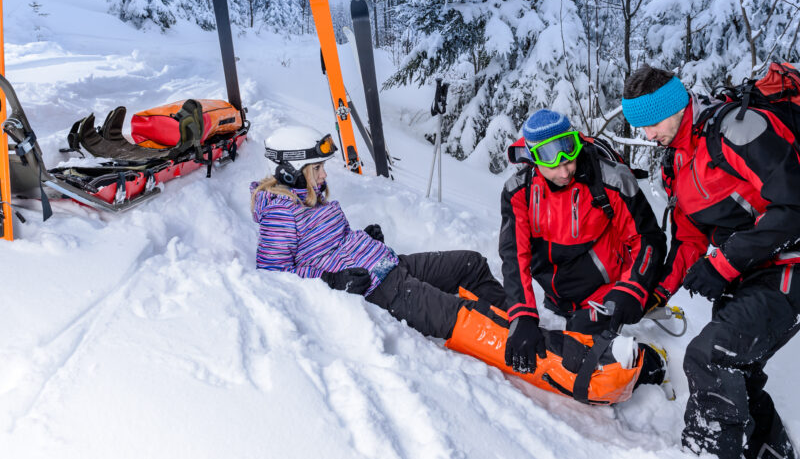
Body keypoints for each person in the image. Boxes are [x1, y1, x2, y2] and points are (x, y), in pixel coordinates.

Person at [622, 65, 800, 459]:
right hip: (742, 278)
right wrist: (657, 294)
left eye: (651, 121)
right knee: (740, 377)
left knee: (711, 357)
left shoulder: (736, 130)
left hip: (788, 267)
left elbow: (792, 207)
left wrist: (722, 265)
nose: (647, 135)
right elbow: (689, 238)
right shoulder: (676, 164)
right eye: (640, 125)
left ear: (677, 103)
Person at [252, 125, 507, 340]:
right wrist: (332, 280)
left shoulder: (311, 197)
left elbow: (330, 247)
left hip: (389, 264)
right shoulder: (280, 214)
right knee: (469, 317)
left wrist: (364, 239)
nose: (324, 174)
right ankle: (535, 349)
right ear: (290, 171)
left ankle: (519, 320)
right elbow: (274, 278)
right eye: (317, 168)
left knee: (471, 264)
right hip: (383, 290)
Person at [499, 109, 667, 375]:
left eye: (570, 157)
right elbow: (514, 257)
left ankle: (650, 361)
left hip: (606, 293)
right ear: (533, 159)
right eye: (553, 164)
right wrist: (522, 315)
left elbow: (647, 239)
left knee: (582, 356)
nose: (565, 170)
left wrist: (631, 289)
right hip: (557, 297)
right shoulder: (519, 192)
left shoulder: (611, 179)